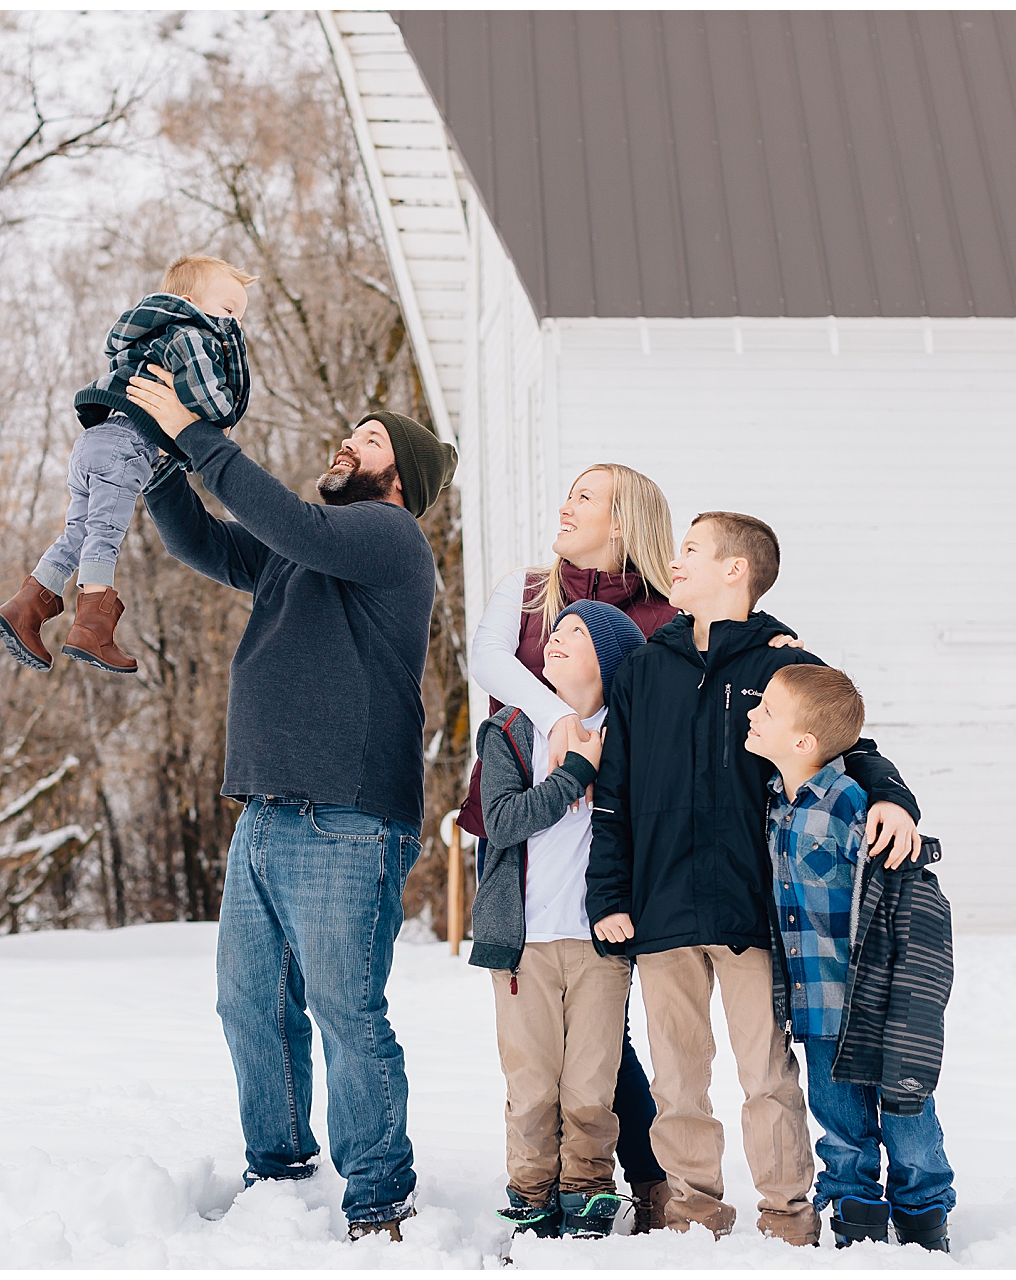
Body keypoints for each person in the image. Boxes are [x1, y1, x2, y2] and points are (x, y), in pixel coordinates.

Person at [122, 360, 458, 1244]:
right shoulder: (300, 548)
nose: (351, 439)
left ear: (398, 479)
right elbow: (209, 542)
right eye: (355, 428)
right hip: (266, 811)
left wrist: (198, 432)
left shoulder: (389, 539)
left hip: (347, 815)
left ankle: (380, 1196)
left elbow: (283, 519)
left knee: (346, 1007)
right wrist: (158, 455)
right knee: (250, 1002)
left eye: (373, 438)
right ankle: (277, 1171)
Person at [460, 464, 795, 1231]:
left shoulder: (663, 624)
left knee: (608, 1051)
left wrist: (770, 635)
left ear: (623, 521)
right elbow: (490, 665)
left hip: (646, 879)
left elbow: (728, 656)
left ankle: (631, 1180)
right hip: (548, 860)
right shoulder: (530, 592)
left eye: (585, 495)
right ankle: (613, 1186)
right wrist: (566, 733)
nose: (565, 503)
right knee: (555, 1059)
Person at [586, 511, 924, 1246]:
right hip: (661, 905)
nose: (674, 562)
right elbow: (614, 794)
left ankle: (788, 1216)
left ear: (735, 570)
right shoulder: (645, 667)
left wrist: (894, 797)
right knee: (677, 1080)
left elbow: (846, 743)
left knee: (767, 1076)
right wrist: (609, 895)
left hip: (753, 908)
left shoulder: (781, 664)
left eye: (692, 551)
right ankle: (692, 1212)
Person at [744, 664, 957, 1253]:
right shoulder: (774, 803)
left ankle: (923, 1214)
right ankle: (855, 1209)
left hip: (873, 1000)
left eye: (765, 711)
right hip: (816, 1003)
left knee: (907, 1117)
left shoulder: (851, 806)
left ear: (803, 743)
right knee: (839, 1121)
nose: (752, 715)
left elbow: (901, 899)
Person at [0, 254, 254, 677]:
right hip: (127, 449)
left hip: (95, 441)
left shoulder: (148, 338)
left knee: (77, 532)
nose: (233, 325)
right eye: (227, 312)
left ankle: (24, 610)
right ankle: (92, 627)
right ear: (189, 302)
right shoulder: (191, 337)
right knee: (105, 536)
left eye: (239, 317)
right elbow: (212, 402)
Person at [470, 600, 648, 1240]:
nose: (556, 638)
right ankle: (531, 1193)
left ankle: (588, 1190)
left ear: (609, 657)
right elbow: (502, 822)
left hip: (600, 941)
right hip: (524, 943)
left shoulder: (629, 737)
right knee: (533, 1083)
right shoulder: (513, 730)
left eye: (576, 631)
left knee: (591, 1084)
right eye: (556, 628)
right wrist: (575, 774)